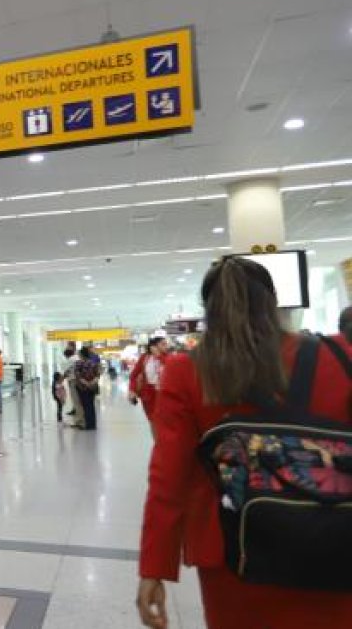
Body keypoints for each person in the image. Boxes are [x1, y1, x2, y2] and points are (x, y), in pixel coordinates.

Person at [137, 258, 352, 629]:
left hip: (232, 548)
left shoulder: (189, 371)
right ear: (273, 302)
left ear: (209, 310)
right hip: (334, 538)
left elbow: (168, 480)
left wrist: (154, 568)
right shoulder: (338, 356)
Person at [129, 338, 168, 426]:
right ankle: (157, 440)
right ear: (153, 346)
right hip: (148, 394)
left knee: (164, 420)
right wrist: (132, 390)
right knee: (153, 421)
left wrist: (159, 356)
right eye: (163, 344)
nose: (166, 346)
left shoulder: (168, 357)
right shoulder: (145, 358)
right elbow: (133, 375)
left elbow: (170, 367)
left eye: (166, 344)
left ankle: (164, 439)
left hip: (164, 393)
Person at [72, 347, 101, 430]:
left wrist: (86, 383)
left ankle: (88, 425)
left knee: (85, 405)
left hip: (82, 387)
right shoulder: (93, 363)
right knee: (91, 405)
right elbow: (98, 375)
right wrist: (92, 383)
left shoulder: (78, 363)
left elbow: (78, 375)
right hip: (92, 387)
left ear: (81, 354)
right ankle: (93, 424)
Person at [60, 347, 80, 423]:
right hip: (78, 380)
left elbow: (67, 371)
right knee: (77, 397)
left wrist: (61, 379)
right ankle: (75, 410)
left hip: (73, 380)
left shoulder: (70, 360)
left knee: (75, 397)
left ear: (67, 355)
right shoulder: (77, 358)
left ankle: (78, 417)